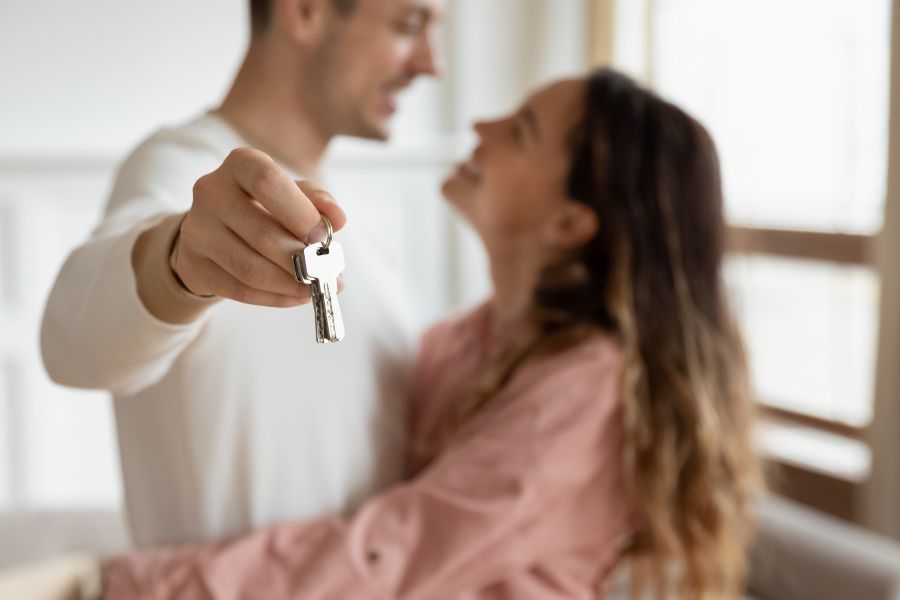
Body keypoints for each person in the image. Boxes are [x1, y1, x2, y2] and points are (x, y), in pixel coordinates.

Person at [103, 69, 763, 600]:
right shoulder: (458, 340)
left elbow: (394, 554)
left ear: (567, 224)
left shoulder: (590, 387)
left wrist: (135, 585)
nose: (481, 124)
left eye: (520, 130)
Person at [40, 0, 443, 548]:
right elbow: (74, 342)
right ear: (305, 12)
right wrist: (177, 266)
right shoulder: (179, 170)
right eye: (408, 25)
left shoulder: (364, 224)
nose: (432, 63)